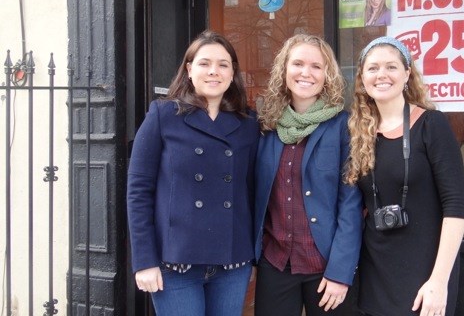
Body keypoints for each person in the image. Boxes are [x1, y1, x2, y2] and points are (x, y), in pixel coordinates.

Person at [127, 30, 260, 315]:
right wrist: (144, 260)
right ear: (189, 70)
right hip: (175, 263)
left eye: (223, 64)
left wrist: (252, 254)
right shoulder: (163, 115)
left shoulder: (248, 123)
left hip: (232, 262)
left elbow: (251, 192)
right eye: (204, 63)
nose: (214, 71)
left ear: (232, 72)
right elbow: (139, 191)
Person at [345, 36, 464, 316]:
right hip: (375, 271)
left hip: (424, 272)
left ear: (407, 74)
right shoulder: (357, 132)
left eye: (391, 67)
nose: (382, 75)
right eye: (373, 68)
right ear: (362, 77)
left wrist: (439, 280)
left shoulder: (431, 124)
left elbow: (457, 206)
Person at [254, 34, 363, 316]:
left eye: (316, 66)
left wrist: (341, 271)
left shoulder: (342, 126)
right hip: (276, 262)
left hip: (326, 266)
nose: (306, 73)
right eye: (298, 64)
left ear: (327, 75)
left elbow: (350, 204)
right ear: (284, 70)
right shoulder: (267, 126)